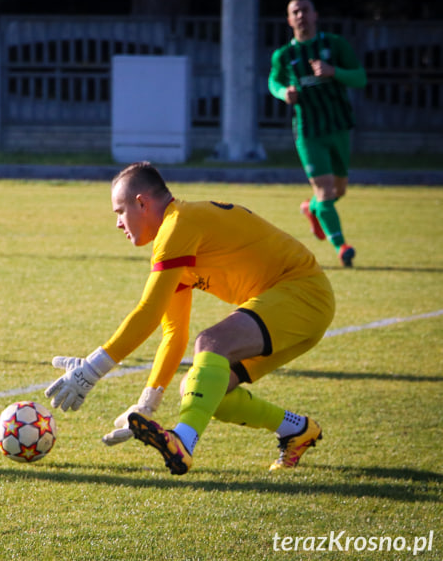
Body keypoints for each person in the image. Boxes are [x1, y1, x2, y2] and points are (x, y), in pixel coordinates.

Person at [45, 162, 336, 475]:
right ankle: (295, 429)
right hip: (295, 306)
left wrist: (91, 369)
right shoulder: (173, 237)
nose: (118, 223)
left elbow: (148, 312)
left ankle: (183, 441)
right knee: (200, 391)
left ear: (142, 203)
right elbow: (173, 333)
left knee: (211, 342)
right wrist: (148, 402)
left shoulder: (177, 225)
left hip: (303, 293)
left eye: (119, 211)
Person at [268, 0, 367, 267]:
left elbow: (360, 77)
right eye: (295, 12)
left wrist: (334, 71)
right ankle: (342, 246)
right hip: (308, 131)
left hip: (337, 127)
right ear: (289, 20)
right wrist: (283, 93)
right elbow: (273, 82)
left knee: (338, 191)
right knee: (325, 189)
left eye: (305, 10)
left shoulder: (334, 45)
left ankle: (311, 209)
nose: (300, 15)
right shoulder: (284, 56)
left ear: (315, 15)